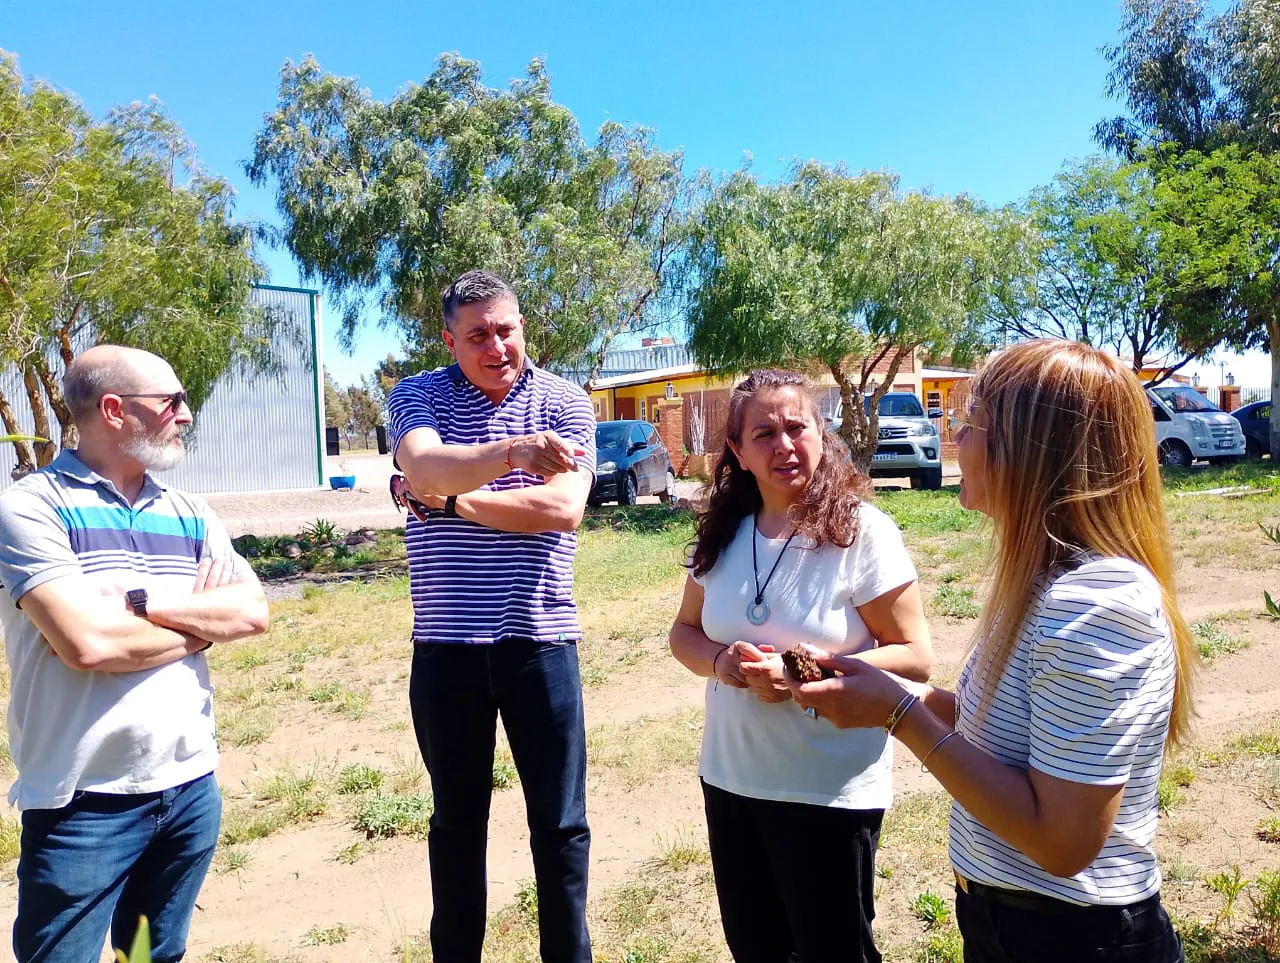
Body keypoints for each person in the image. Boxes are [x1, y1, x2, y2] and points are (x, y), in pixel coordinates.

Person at [787, 340, 1194, 963]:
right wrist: (905, 696)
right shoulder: (1047, 583)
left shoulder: (1096, 603)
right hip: (1011, 924)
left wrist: (900, 718)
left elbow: (1061, 843)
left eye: (968, 424)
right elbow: (1013, 736)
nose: (956, 439)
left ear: (1026, 454)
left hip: (1072, 938)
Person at [0, 345, 269, 963]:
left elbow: (252, 611)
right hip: (82, 804)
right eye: (170, 401)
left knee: (149, 956)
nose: (187, 415)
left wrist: (139, 603)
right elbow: (89, 645)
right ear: (115, 410)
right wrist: (201, 626)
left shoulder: (188, 511)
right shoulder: (30, 508)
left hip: (189, 787)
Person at [668, 369, 933, 963]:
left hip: (828, 791)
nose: (784, 445)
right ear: (737, 451)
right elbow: (683, 633)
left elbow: (916, 657)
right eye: (763, 433)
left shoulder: (862, 532)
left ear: (822, 431)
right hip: (732, 782)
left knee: (833, 951)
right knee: (756, 949)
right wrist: (722, 662)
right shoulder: (725, 533)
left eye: (797, 427)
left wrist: (800, 675)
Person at [387, 270, 596, 963]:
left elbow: (561, 509)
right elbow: (423, 463)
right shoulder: (416, 394)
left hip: (541, 640)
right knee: (455, 825)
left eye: (506, 327)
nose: (496, 344)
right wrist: (511, 454)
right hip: (446, 650)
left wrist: (448, 502)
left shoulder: (565, 401)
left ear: (523, 325)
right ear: (450, 338)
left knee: (561, 828)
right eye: (477, 333)